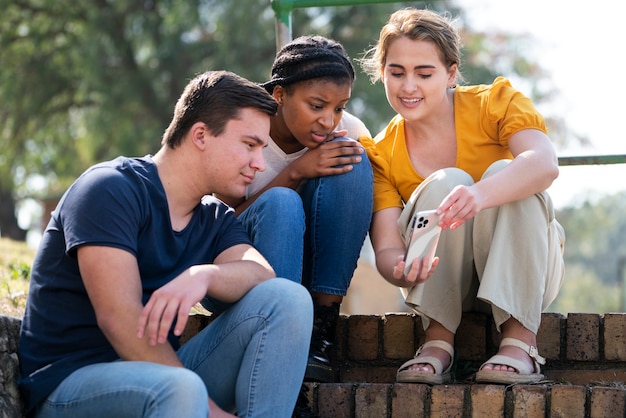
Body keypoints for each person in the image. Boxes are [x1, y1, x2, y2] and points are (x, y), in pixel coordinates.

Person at [18, 70, 314, 418]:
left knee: (288, 298)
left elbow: (262, 276)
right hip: (72, 387)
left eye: (262, 149)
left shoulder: (213, 216)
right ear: (201, 135)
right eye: (249, 145)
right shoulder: (109, 189)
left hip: (166, 380)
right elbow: (120, 320)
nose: (259, 163)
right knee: (182, 388)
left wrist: (203, 276)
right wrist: (210, 411)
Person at [358, 8, 565, 385]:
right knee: (444, 181)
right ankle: (437, 339)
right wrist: (400, 268)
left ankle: (520, 340)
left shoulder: (495, 103)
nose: (408, 87)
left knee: (506, 172)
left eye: (424, 73)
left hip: (525, 274)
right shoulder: (381, 151)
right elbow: (387, 247)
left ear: (451, 73)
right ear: (382, 72)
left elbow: (545, 164)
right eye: (396, 72)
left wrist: (479, 194)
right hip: (442, 285)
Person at [216, 35, 373, 387]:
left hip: (308, 276)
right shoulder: (239, 130)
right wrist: (296, 172)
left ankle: (321, 330)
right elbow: (214, 226)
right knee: (282, 201)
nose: (329, 121)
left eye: (338, 107)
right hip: (235, 273)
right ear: (280, 95)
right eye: (316, 106)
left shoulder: (349, 131)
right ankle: (282, 340)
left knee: (353, 159)